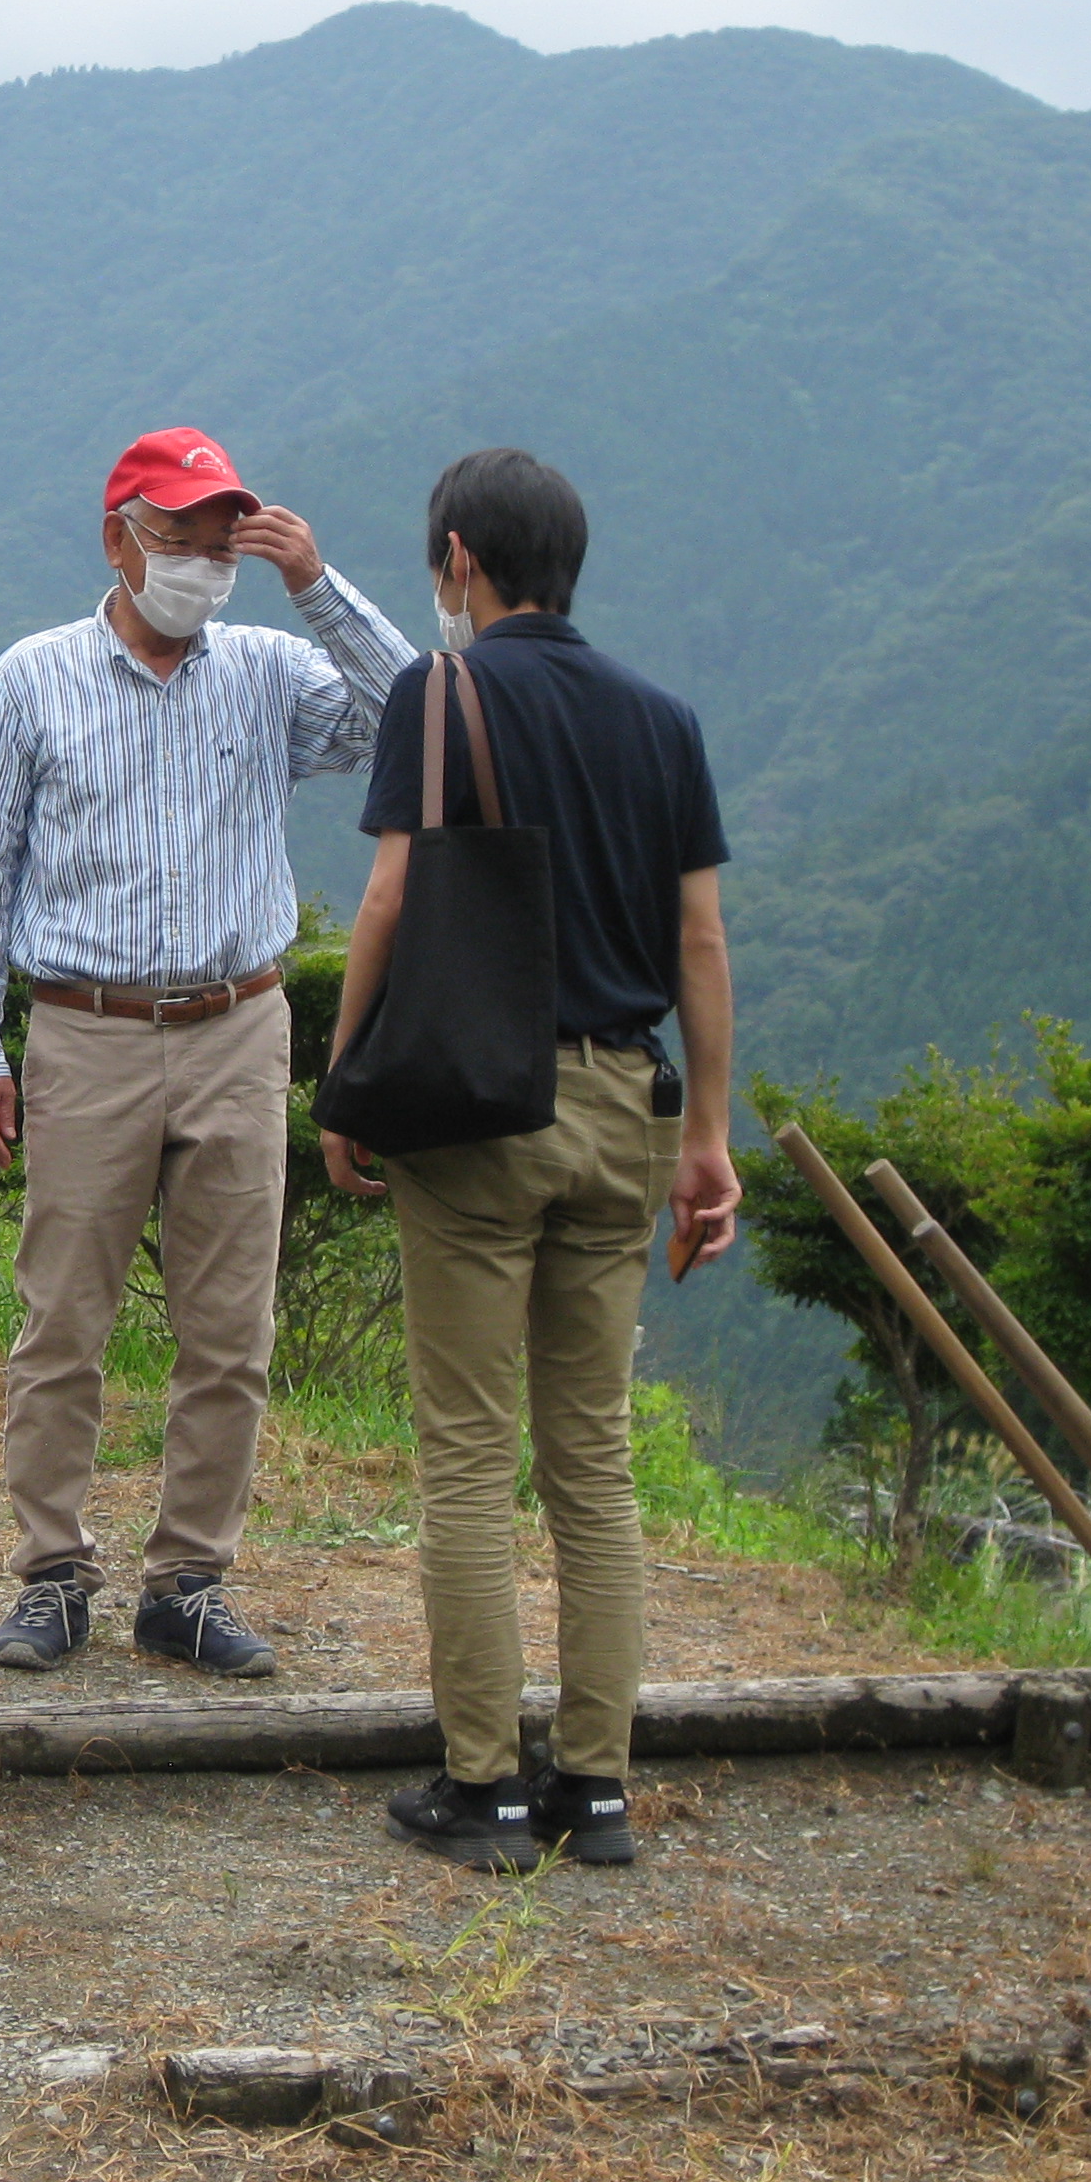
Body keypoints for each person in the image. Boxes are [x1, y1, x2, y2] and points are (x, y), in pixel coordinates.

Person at [0, 427, 419, 1676]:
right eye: (181, 541)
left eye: (223, 547)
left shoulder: (266, 670)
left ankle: (189, 1581)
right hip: (85, 1028)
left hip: (238, 1023)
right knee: (62, 1316)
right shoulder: (32, 679)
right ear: (120, 539)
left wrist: (316, 584)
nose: (206, 566)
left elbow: (412, 721)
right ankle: (52, 1572)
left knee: (229, 1325)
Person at [323, 447, 738, 1872]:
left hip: (480, 1110)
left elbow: (389, 897)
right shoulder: (664, 722)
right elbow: (700, 943)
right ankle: (601, 1791)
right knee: (594, 1465)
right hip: (629, 1109)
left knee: (464, 1453)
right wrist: (708, 1139)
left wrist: (343, 1077)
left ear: (456, 560)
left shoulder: (437, 697)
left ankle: (487, 1787)